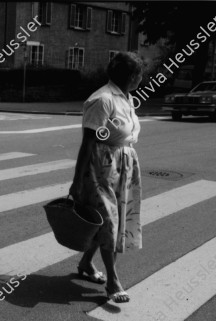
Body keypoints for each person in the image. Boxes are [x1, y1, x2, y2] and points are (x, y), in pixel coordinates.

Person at [69, 52, 143, 303]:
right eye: (140, 73)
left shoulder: (126, 98)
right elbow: (88, 142)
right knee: (109, 223)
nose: (141, 78)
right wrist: (78, 181)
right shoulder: (102, 100)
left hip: (123, 166)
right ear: (132, 76)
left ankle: (86, 264)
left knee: (109, 221)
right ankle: (113, 281)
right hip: (99, 168)